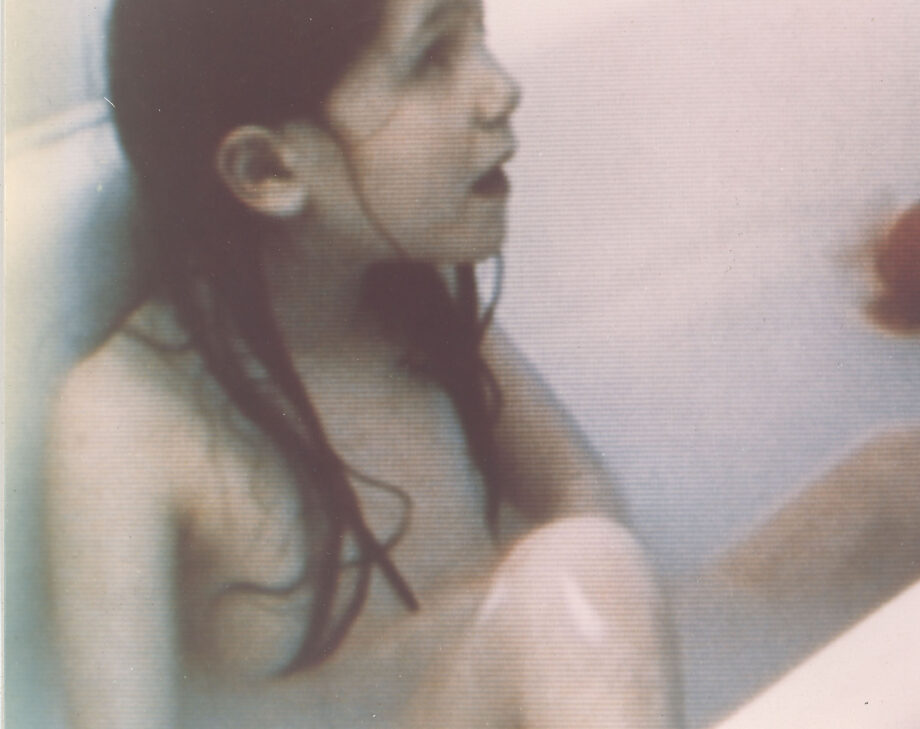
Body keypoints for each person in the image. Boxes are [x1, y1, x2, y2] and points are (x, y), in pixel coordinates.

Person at [45, 0, 675, 727]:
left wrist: (544, 635)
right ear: (268, 169)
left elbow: (578, 491)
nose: (502, 89)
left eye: (479, 35)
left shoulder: (408, 298)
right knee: (579, 576)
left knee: (631, 565)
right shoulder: (125, 419)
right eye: (432, 58)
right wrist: (527, 618)